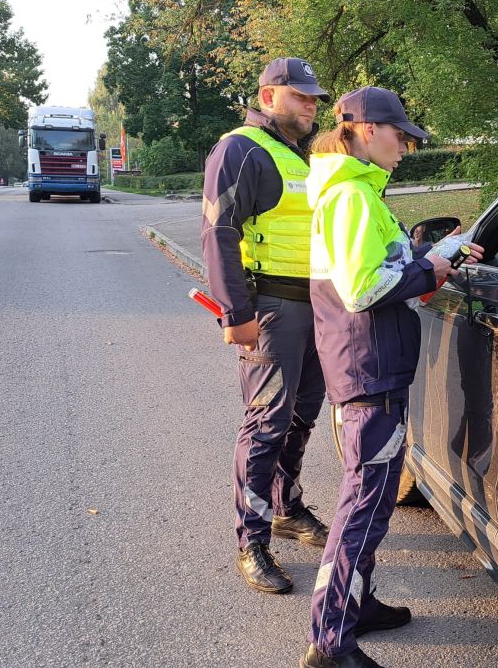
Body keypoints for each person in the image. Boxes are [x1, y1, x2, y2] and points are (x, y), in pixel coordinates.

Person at [301, 87, 483, 668]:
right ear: (362, 129)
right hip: (369, 367)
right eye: (399, 136)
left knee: (373, 500)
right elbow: (363, 289)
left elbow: (382, 261)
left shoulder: (352, 191)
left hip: (368, 362)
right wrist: (430, 267)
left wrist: (437, 251)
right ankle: (330, 641)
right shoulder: (351, 195)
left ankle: (358, 603)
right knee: (364, 502)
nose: (406, 147)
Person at [201, 57, 333, 595]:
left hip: (318, 309)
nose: (311, 104)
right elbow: (218, 230)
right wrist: (237, 314)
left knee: (302, 416)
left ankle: (285, 507)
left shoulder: (299, 156)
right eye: (300, 95)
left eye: (314, 97)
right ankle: (251, 540)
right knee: (267, 423)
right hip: (273, 311)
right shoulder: (240, 148)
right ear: (268, 95)